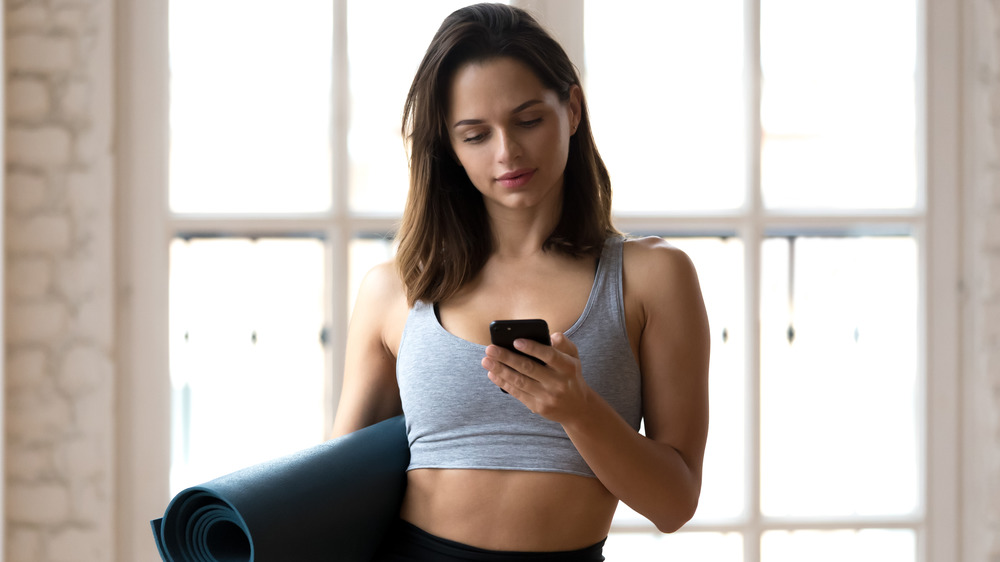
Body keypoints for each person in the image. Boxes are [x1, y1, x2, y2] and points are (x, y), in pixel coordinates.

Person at [331, 3, 710, 560]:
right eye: (475, 134)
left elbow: (675, 505)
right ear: (450, 148)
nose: (507, 152)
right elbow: (337, 487)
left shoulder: (653, 279)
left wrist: (579, 410)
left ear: (572, 109)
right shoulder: (395, 290)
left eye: (528, 120)